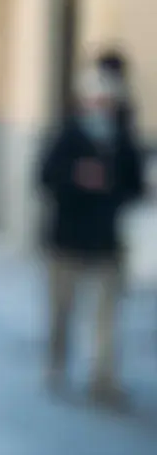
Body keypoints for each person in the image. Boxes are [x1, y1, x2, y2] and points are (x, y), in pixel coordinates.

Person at [39, 50, 148, 407]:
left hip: (105, 241)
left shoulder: (123, 139)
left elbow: (136, 186)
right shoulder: (67, 135)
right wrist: (76, 177)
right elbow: (44, 178)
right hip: (67, 238)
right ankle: (56, 366)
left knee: (107, 315)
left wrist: (111, 183)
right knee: (62, 311)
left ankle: (103, 378)